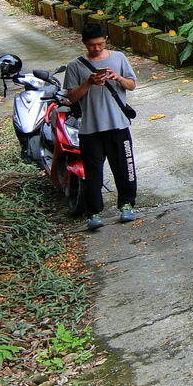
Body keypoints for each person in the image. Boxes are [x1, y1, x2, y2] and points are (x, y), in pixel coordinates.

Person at [65, 22, 138, 230]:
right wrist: (88, 82)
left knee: (125, 169)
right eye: (90, 45)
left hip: (118, 125)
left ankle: (126, 205)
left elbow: (132, 85)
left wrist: (118, 78)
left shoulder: (119, 58)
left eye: (99, 44)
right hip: (90, 129)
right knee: (93, 173)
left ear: (106, 39)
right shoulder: (75, 66)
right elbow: (71, 97)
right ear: (84, 43)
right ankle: (94, 213)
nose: (95, 49)